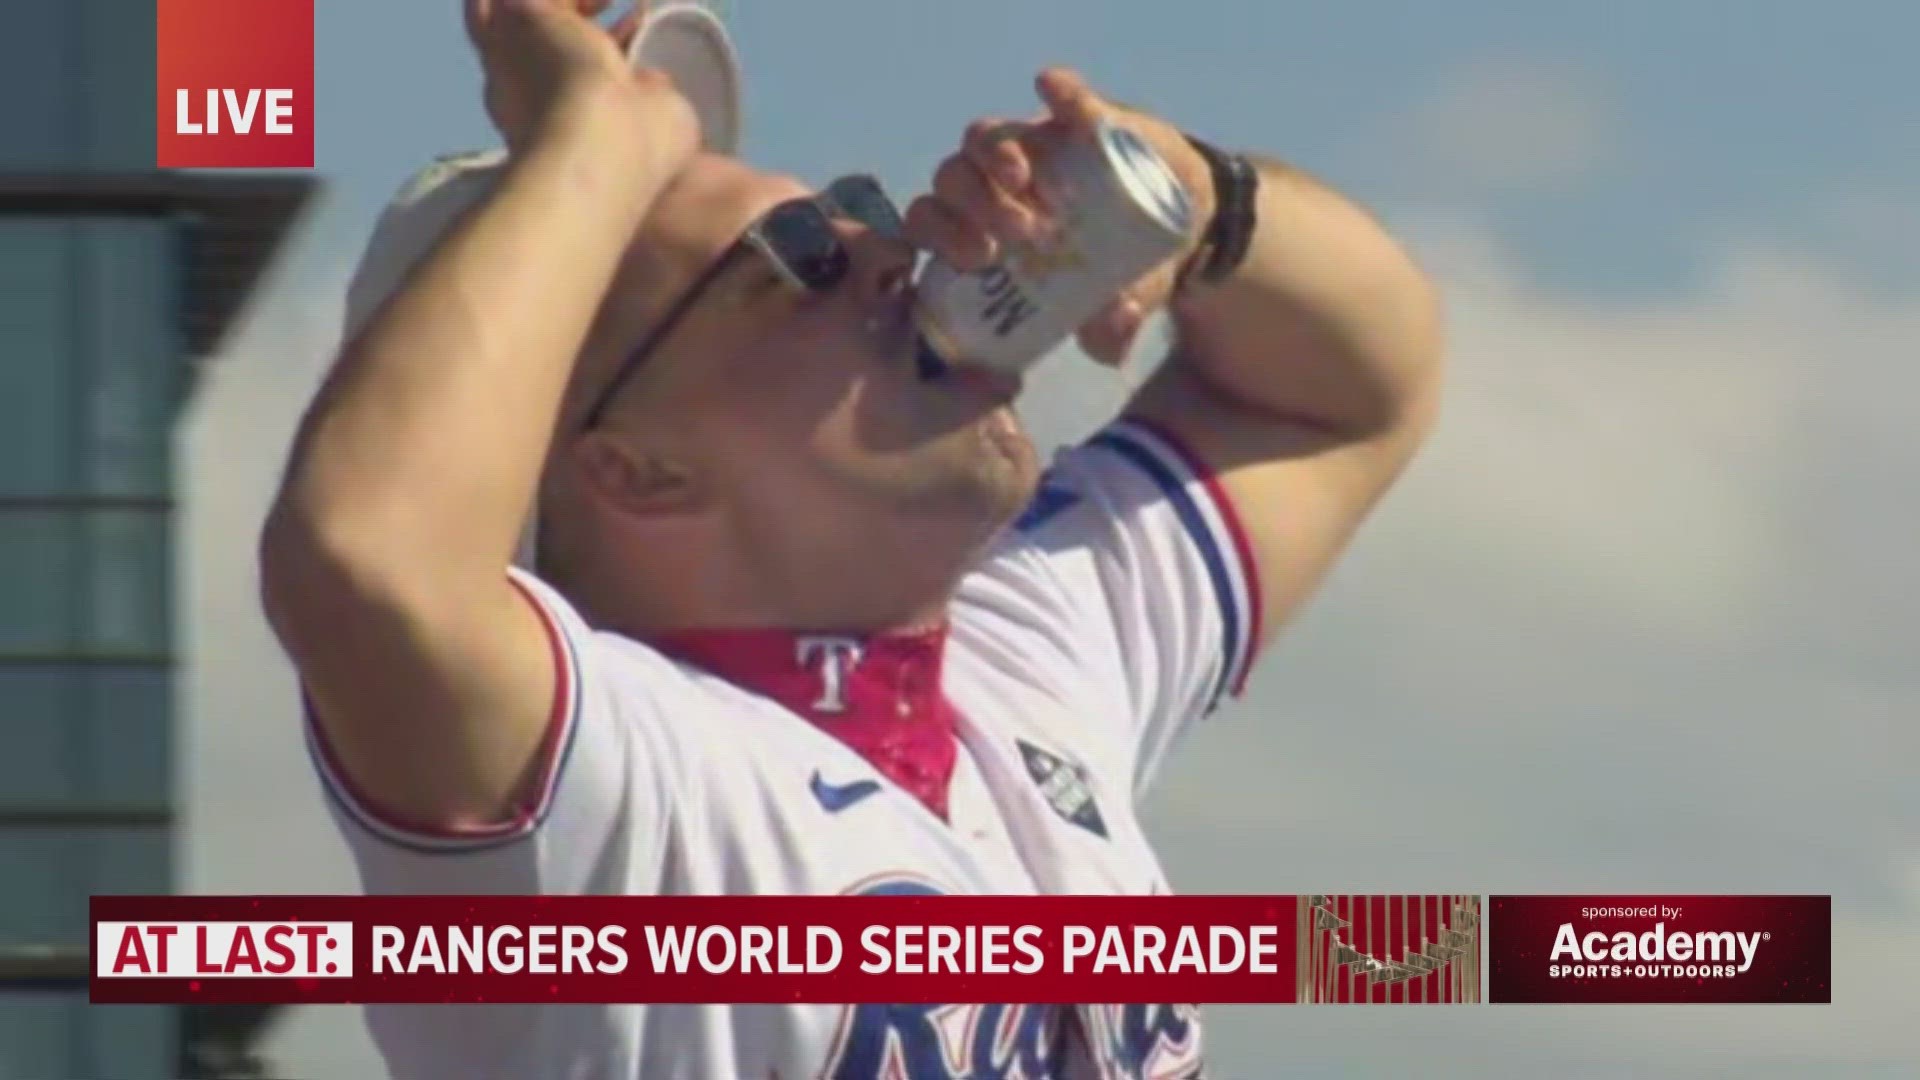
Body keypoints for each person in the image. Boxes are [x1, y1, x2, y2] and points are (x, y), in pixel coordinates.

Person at [259, 1, 1443, 1076]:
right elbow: (373, 564)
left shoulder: (1021, 652)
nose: (889, 253)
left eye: (857, 212)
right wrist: (591, 143)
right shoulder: (617, 794)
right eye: (798, 260)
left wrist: (1198, 202)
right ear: (636, 467)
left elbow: (1352, 392)